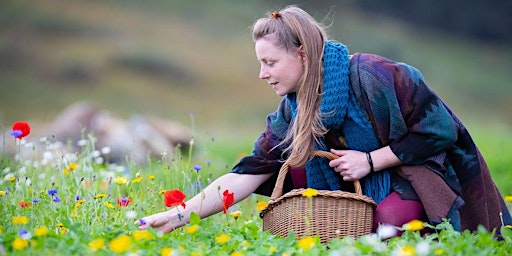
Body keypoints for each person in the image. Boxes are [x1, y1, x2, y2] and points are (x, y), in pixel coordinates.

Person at [138, 5, 511, 237]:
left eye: (270, 62)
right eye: (259, 63)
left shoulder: (375, 75)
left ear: (302, 55)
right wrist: (180, 214)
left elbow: (441, 130)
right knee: (294, 162)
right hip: (350, 193)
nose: (262, 74)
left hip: (412, 175)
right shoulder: (291, 109)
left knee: (388, 227)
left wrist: (370, 161)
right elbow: (248, 172)